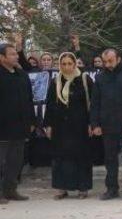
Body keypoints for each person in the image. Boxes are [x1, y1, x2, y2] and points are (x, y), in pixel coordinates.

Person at [90, 48, 122, 201]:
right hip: (107, 125)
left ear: (118, 59)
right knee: (110, 158)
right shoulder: (100, 78)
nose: (107, 64)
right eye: (105, 62)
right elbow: (95, 103)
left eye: (110, 61)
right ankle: (112, 188)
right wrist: (95, 124)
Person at [43, 52, 93, 199]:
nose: (66, 67)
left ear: (74, 64)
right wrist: (49, 125)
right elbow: (50, 104)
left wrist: (92, 123)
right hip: (60, 127)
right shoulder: (55, 81)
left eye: (69, 64)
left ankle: (82, 188)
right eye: (63, 64)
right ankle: (61, 188)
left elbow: (92, 103)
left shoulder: (84, 79)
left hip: (80, 126)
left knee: (81, 156)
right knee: (61, 157)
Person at [0, 43, 35, 203]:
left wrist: (32, 120)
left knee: (15, 160)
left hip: (20, 126)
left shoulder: (22, 75)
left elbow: (29, 99)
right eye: (12, 54)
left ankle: (10, 189)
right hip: (2, 126)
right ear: (2, 57)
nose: (16, 56)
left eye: (16, 54)